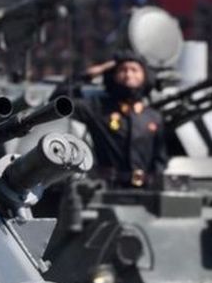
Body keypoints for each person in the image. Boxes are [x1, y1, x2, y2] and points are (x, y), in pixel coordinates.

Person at [71, 51, 167, 188]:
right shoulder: (98, 108)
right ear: (113, 75)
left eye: (134, 70)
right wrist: (94, 72)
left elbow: (159, 160)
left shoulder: (153, 117)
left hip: (144, 192)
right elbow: (60, 101)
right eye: (123, 70)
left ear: (145, 76)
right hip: (106, 189)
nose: (128, 75)